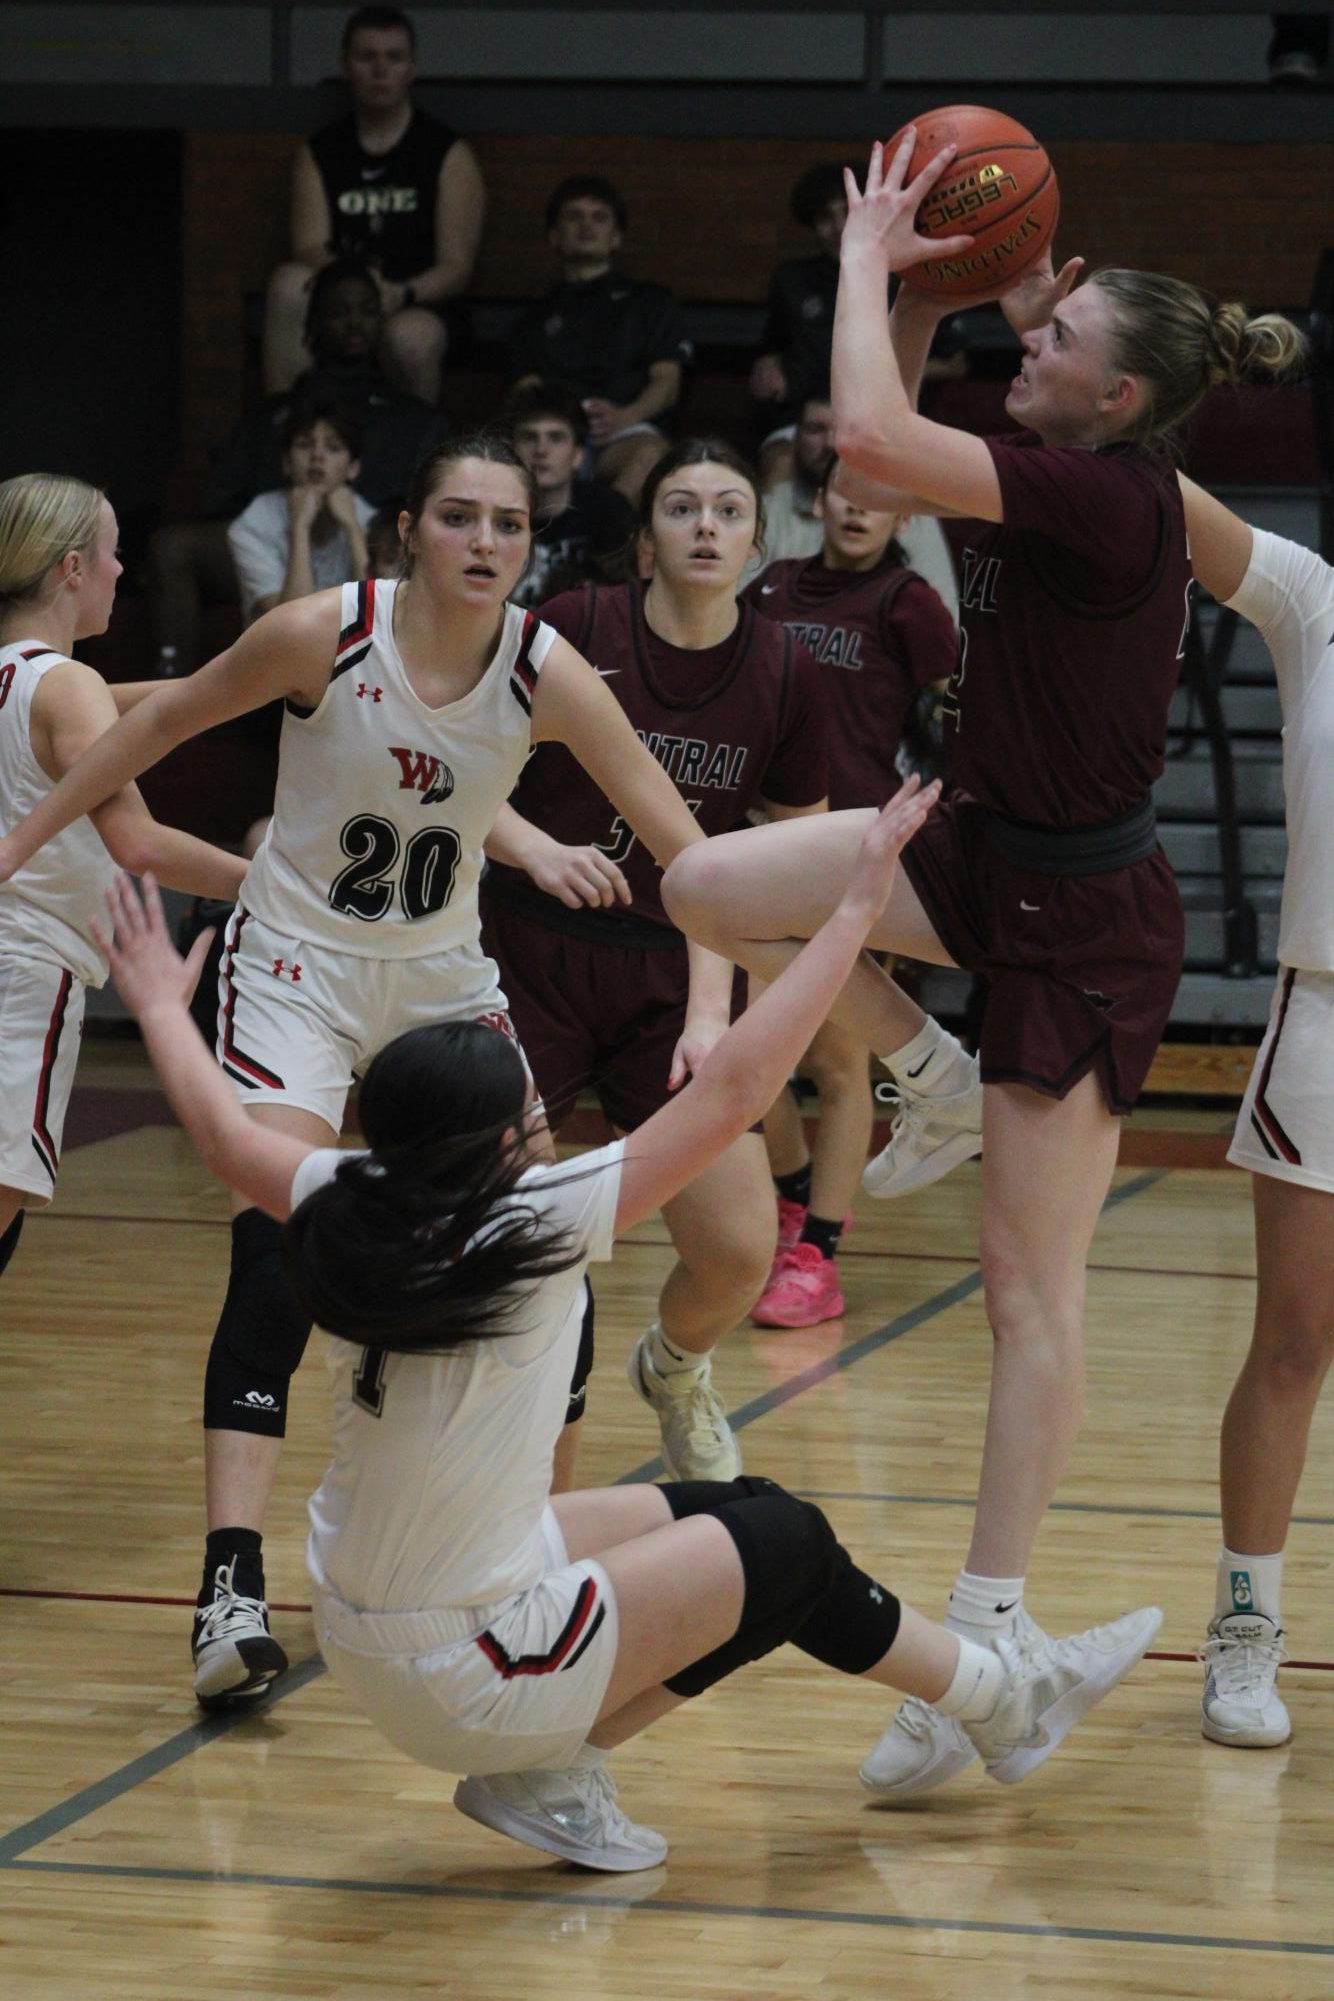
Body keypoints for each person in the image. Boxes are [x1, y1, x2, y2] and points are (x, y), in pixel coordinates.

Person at [96, 804, 1163, 1872]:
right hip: (469, 1667)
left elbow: (229, 1138)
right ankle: (994, 1701)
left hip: (377, 1623)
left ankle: (955, 1701)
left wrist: (155, 1005)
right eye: (528, 1113)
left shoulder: (348, 1192)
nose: (544, 1119)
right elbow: (739, 1083)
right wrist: (849, 914)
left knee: (740, 1513)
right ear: (496, 1147)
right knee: (783, 1549)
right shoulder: (533, 1224)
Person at [661, 131, 1305, 1798]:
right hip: (970, 843)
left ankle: (987, 1642)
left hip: (1085, 923)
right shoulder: (1068, 443)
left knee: (1028, 1299)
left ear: (1111, 406)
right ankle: (923, 1076)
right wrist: (970, 289)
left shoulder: (1099, 498)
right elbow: (887, 443)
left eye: (1058, 349)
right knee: (705, 882)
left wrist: (871, 265)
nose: (1034, 350)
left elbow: (863, 437)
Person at [0, 436, 736, 1714]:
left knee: (543, 1245)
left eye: (506, 523)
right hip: (294, 967)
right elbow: (160, 722)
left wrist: (718, 1001)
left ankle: (529, 1556)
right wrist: (15, 848)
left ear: (528, 546)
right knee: (276, 1239)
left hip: (440, 976)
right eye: (458, 517)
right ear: (411, 530)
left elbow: (691, 856)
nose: (484, 541)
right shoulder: (320, 633)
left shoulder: (545, 668)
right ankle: (230, 1585)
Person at [481, 439, 829, 1477]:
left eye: (728, 509)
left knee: (734, 1251)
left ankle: (674, 1367)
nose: (706, 526)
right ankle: (520, 1478)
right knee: (528, 1236)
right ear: (643, 542)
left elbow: (785, 863)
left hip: (680, 974)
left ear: (758, 546)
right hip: (524, 951)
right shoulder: (575, 627)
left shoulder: (783, 669)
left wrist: (719, 1012)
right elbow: (455, 767)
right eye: (681, 508)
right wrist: (536, 850)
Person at [0, 473, 249, 1278]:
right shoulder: (67, 688)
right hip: (22, 976)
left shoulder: (36, 683)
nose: (123, 573)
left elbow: (146, 703)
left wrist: (279, 673)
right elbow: (138, 842)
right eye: (113, 555)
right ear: (73, 568)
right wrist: (281, 883)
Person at [1178, 480, 1333, 1749]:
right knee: (1291, 1342)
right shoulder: (1313, 602)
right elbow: (1158, 502)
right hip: (1327, 1017)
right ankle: (1242, 1629)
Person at [741, 458, 956, 1327]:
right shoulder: (773, 588)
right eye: (845, 492)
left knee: (834, 1062)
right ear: (818, 501)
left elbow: (954, 726)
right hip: (760, 846)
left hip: (852, 856)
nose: (861, 507)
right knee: (750, 1062)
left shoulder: (910, 603)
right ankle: (793, 1199)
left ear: (903, 514)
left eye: (880, 496)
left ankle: (818, 1254)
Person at [148, 257, 446, 674]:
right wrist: (295, 526)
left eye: (366, 311)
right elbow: (284, 628)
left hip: (367, 549)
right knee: (173, 546)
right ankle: (169, 676)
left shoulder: (409, 416)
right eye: (339, 312)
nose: (354, 324)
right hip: (277, 556)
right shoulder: (278, 416)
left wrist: (359, 529)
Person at [263, 6, 485, 402]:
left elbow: (456, 268)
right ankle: (287, 433)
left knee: (409, 339)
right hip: (343, 293)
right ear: (346, 67)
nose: (380, 69)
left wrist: (400, 292)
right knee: (287, 285)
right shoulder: (321, 151)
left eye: (394, 57)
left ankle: (412, 455)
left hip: (419, 302)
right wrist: (360, 285)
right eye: (367, 57)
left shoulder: (448, 153)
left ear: (411, 68)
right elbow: (309, 247)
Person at [750, 163, 964, 490]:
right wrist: (767, 365)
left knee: (898, 474)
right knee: (780, 462)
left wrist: (882, 374)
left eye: (847, 213)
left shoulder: (910, 274)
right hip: (803, 420)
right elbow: (771, 349)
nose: (838, 227)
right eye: (825, 218)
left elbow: (955, 364)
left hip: (884, 420)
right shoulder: (791, 279)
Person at [507, 176, 692, 501]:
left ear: (616, 236)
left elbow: (667, 384)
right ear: (554, 235)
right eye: (574, 216)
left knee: (652, 456)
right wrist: (563, 425)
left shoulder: (650, 302)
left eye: (599, 217)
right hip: (553, 434)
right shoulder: (533, 316)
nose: (586, 225)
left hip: (623, 431)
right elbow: (525, 389)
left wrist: (626, 416)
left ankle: (601, 537)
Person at [741, 393, 960, 622]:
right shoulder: (769, 510)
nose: (829, 443)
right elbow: (735, 618)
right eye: (816, 429)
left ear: (901, 520)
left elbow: (946, 619)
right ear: (794, 438)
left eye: (843, 429)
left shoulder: (908, 510)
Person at [227, 399, 374, 622]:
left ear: (353, 468)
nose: (317, 456)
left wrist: (353, 529)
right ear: (286, 462)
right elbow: (289, 626)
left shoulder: (371, 520)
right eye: (305, 445)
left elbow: (376, 619)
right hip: (278, 653)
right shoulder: (253, 524)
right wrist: (299, 528)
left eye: (333, 448)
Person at [503, 381, 637, 608]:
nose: (541, 450)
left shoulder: (609, 510)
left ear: (579, 455)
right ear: (510, 450)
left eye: (555, 438)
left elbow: (621, 601)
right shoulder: (490, 511)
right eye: (529, 437)